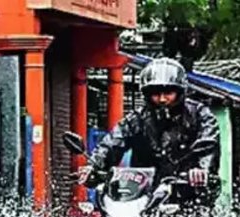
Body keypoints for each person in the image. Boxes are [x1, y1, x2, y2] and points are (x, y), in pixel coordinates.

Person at [77, 57, 219, 201]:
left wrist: (202, 168)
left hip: (189, 189)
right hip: (142, 193)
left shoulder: (200, 114)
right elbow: (113, 142)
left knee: (197, 214)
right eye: (156, 94)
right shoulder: (137, 119)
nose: (162, 99)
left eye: (168, 93)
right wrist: (93, 166)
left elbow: (207, 144)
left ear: (180, 92)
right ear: (147, 94)